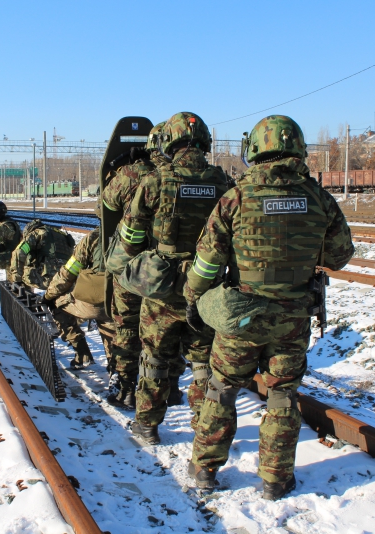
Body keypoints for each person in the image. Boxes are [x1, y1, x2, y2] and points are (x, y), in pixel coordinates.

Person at [183, 115, 354, 498]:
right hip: (292, 318)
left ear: (256, 149)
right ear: (298, 149)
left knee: (221, 390)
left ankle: (205, 469)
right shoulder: (319, 199)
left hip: (241, 315)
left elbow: (207, 262)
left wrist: (194, 300)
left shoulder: (236, 198)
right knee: (282, 396)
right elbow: (340, 255)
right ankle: (276, 480)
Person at [117, 112, 230, 445]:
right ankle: (202, 424)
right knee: (203, 362)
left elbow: (130, 238)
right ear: (204, 142)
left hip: (162, 290)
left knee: (154, 358)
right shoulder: (222, 182)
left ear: (169, 143)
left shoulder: (156, 181)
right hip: (206, 290)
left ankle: (147, 427)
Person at [102, 122, 186, 410]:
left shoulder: (134, 173)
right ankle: (172, 387)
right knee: (170, 331)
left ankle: (126, 388)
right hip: (174, 272)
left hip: (133, 268)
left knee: (127, 325)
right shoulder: (183, 174)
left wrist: (124, 168)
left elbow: (108, 201)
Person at [8, 220, 92, 365]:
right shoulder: (62, 235)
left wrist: (16, 279)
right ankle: (82, 353)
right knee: (60, 310)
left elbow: (19, 252)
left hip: (46, 277)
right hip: (68, 279)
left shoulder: (37, 233)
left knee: (19, 281)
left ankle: (30, 318)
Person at [43, 206, 116, 369]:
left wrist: (48, 296)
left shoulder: (93, 238)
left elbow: (68, 273)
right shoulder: (137, 237)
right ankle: (117, 374)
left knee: (58, 305)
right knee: (113, 332)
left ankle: (81, 354)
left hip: (95, 303)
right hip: (124, 303)